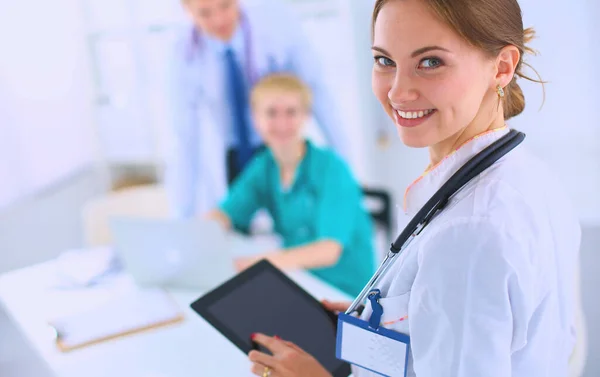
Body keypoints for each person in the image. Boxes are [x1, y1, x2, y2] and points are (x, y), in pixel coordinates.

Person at [245, 0, 582, 376]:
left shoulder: (467, 231)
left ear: (501, 67)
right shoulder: (530, 176)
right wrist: (387, 319)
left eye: (431, 62)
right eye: (385, 61)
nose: (397, 92)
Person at [165, 0, 348, 219]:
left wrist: (347, 172)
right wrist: (181, 220)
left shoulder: (276, 21)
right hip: (234, 156)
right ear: (187, 10)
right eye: (205, 13)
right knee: (239, 228)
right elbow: (185, 140)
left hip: (283, 147)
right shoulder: (182, 54)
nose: (219, 20)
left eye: (225, 6)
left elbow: (318, 94)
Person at [206, 73, 375, 297]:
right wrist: (197, 234)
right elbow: (226, 213)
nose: (281, 123)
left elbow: (328, 251)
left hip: (346, 293)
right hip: (300, 278)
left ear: (305, 116)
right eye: (271, 113)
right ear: (256, 119)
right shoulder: (264, 166)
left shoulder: (331, 169)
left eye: (291, 112)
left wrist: (257, 262)